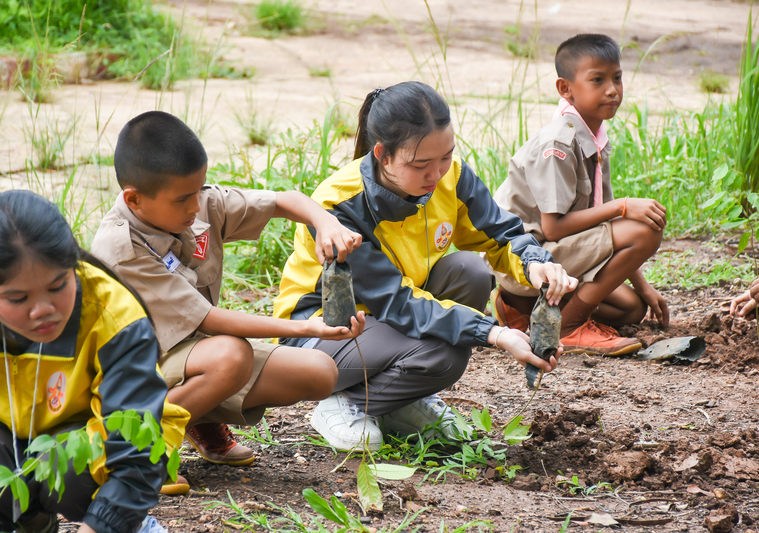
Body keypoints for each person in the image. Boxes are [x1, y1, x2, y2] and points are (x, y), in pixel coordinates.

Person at [273, 81, 577, 451]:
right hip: (319, 332)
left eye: (446, 156)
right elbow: (396, 302)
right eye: (421, 165)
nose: (436, 174)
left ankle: (398, 399)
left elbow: (499, 233)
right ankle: (345, 403)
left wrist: (535, 264)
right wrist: (495, 333)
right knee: (445, 353)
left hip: (384, 322)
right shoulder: (341, 206)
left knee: (471, 271)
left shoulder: (451, 177)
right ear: (383, 155)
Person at [90, 111, 364, 483]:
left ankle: (196, 418)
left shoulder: (196, 204)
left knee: (320, 372)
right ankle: (137, 445)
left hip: (190, 356)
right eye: (183, 198)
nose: (194, 206)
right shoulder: (121, 248)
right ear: (134, 199)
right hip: (134, 373)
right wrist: (305, 328)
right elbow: (209, 321)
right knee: (230, 354)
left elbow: (284, 200)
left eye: (199, 190)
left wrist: (325, 222)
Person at [0, 190, 189, 533]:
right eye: (18, 298)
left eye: (58, 286)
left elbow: (135, 452)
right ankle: (30, 525)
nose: (43, 310)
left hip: (94, 439)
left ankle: (129, 523)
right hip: (2, 437)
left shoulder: (114, 314)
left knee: (68, 461)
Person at [491, 33, 669, 355]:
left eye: (617, 78)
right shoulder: (559, 142)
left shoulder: (594, 137)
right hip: (527, 260)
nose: (612, 89)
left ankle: (517, 309)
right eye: (597, 80)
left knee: (631, 308)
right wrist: (623, 206)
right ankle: (568, 327)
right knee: (645, 229)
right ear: (565, 89)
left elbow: (603, 227)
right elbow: (554, 228)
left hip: (554, 256)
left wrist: (644, 287)